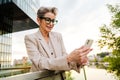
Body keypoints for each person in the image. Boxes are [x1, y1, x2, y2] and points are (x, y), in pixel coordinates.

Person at [24, 6, 92, 80]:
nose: (51, 24)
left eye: (53, 21)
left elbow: (65, 59)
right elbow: (40, 63)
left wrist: (78, 61)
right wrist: (69, 58)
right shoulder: (30, 38)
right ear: (38, 20)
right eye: (48, 20)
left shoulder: (58, 36)